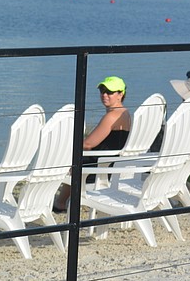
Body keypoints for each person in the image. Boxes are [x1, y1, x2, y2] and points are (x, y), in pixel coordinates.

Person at [54, 76, 132, 211]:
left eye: (109, 92)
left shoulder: (112, 116)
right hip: (111, 163)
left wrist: (63, 148)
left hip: (101, 167)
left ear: (121, 94)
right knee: (78, 159)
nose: (104, 95)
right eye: (102, 91)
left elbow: (88, 144)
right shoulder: (125, 113)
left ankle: (60, 203)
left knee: (74, 161)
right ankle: (62, 200)